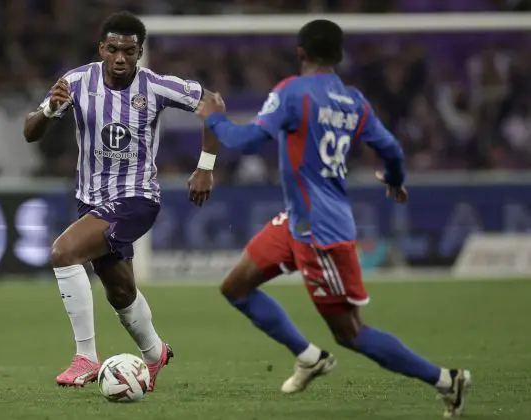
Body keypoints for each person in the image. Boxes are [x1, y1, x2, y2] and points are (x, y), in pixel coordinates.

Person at [196, 19, 471, 418]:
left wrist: (214, 117)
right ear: (339, 56)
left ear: (301, 52)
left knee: (351, 334)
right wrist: (394, 181)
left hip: (320, 234)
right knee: (236, 287)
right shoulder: (353, 100)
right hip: (297, 220)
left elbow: (246, 140)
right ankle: (309, 357)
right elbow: (392, 148)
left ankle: (448, 381)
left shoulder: (292, 91)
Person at [23, 11, 219, 390]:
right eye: (113, 49)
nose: (120, 58)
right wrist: (48, 110)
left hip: (136, 197)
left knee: (64, 252)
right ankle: (154, 354)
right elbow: (31, 132)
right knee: (120, 291)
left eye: (129, 51)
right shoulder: (77, 81)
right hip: (90, 200)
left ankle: (85, 358)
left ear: (140, 52)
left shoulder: (156, 86)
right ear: (101, 48)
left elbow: (213, 105)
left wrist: (206, 167)